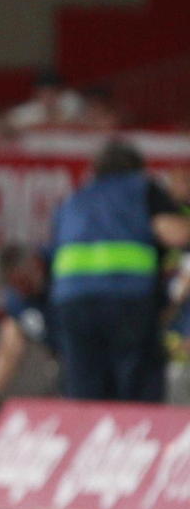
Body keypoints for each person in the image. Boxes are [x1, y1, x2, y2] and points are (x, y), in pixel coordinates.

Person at [46, 141, 190, 403]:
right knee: (136, 385)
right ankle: (133, 438)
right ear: (137, 168)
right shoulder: (142, 189)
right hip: (125, 297)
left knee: (86, 387)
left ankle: (90, 438)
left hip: (71, 302)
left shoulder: (72, 201)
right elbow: (176, 234)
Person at [0, 245, 55, 421]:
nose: (18, 289)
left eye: (20, 281)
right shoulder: (17, 301)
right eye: (11, 284)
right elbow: (9, 349)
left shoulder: (62, 267)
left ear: (32, 264)